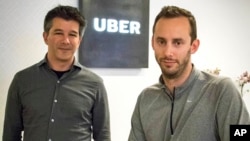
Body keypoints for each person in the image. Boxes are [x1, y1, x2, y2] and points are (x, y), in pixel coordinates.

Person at [128, 5, 250, 141]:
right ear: (152, 43)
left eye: (177, 43)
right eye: (161, 41)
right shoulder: (145, 99)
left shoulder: (222, 91)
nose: (168, 52)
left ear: (194, 46)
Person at [3, 5, 111, 141]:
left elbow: (103, 136)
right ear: (45, 37)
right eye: (59, 33)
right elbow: (10, 135)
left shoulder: (95, 84)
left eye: (72, 35)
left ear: (79, 41)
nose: (65, 41)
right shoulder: (22, 80)